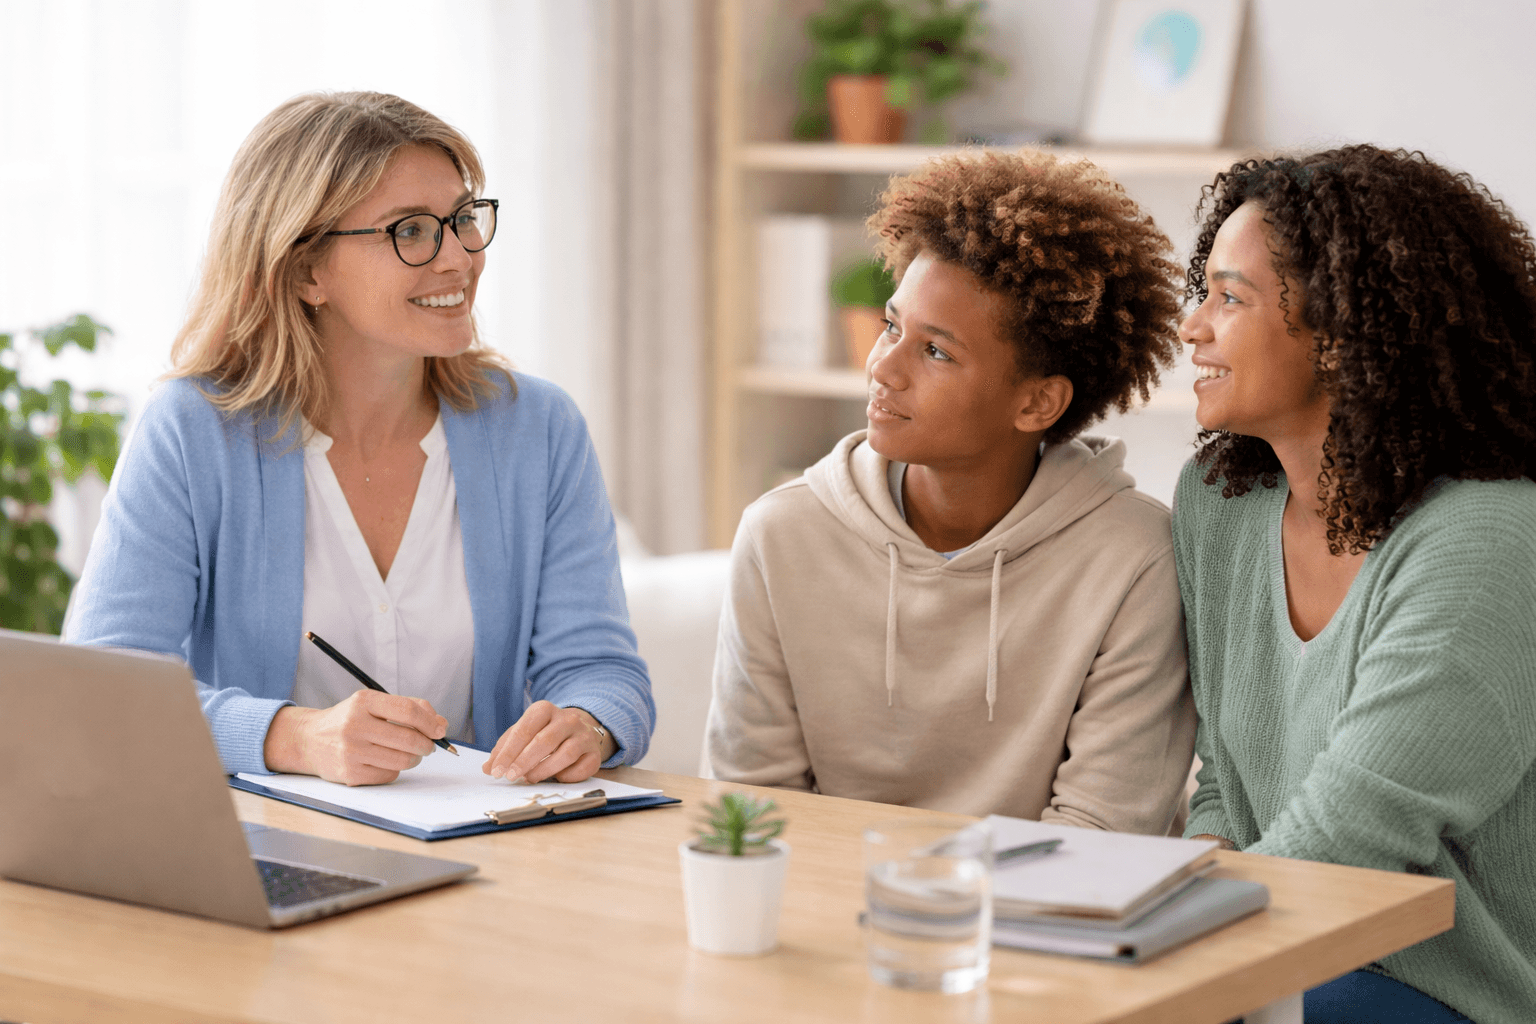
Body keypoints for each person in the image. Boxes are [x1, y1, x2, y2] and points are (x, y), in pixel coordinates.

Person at [68, 92, 654, 786]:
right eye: (410, 231)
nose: (459, 258)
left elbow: (604, 671)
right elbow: (101, 692)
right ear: (305, 270)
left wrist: (588, 721)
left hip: (485, 849)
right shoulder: (193, 431)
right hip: (260, 852)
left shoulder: (540, 429)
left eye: (463, 219)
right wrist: (294, 737)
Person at [705, 151, 1195, 834]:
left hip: (1045, 924)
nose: (882, 368)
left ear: (1038, 402)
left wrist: (936, 918)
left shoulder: (1134, 559)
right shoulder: (781, 535)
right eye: (891, 325)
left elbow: (1103, 833)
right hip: (826, 917)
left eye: (935, 352)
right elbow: (751, 813)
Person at [1175, 145, 1536, 1023]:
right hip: (1280, 953)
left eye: (1231, 298)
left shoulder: (1490, 536)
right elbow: (1223, 784)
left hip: (1444, 992)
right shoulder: (1220, 505)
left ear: (1344, 334)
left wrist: (1168, 965)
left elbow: (1355, 838)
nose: (1192, 326)